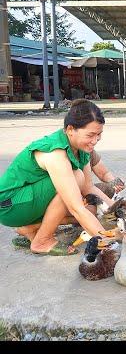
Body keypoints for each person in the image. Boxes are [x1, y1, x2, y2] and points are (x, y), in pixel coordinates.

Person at [0, 99, 113, 254]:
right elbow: (76, 208)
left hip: (29, 201)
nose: (95, 141)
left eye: (99, 134)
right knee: (77, 180)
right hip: (10, 205)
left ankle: (30, 229)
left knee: (92, 209)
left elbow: (89, 187)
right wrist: (108, 242)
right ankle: (42, 241)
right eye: (90, 135)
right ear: (70, 129)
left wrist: (117, 209)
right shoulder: (56, 154)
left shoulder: (81, 148)